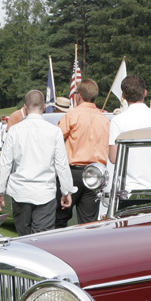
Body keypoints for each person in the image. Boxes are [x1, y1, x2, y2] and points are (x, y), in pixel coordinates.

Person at [0, 90, 75, 235]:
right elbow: (61, 164)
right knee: (42, 239)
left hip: (20, 191)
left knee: (23, 238)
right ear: (44, 106)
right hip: (44, 191)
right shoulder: (54, 131)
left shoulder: (14, 131)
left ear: (25, 107)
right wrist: (66, 190)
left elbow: (5, 163)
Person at [55, 79, 109, 228]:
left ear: (78, 96)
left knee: (59, 217)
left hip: (73, 172)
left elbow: (56, 141)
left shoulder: (72, 116)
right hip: (95, 174)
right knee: (89, 223)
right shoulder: (104, 119)